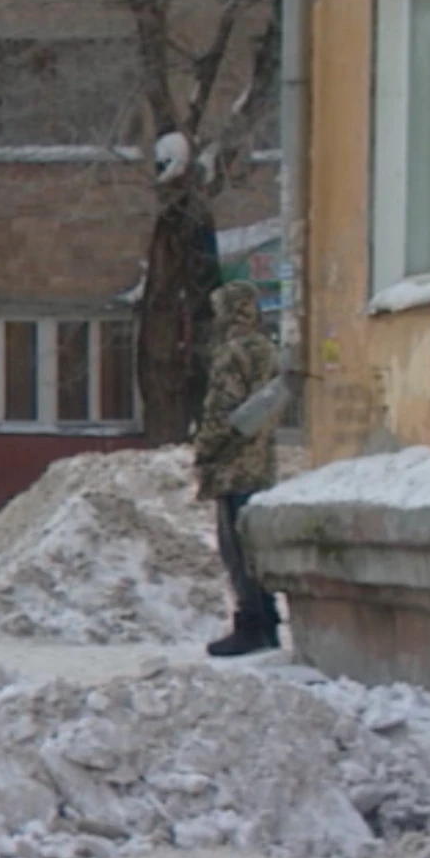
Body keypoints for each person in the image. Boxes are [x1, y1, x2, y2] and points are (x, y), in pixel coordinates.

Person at [192, 280, 282, 657]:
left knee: (237, 551)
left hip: (232, 467)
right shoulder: (267, 350)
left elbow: (222, 413)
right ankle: (268, 621)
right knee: (255, 549)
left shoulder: (232, 353)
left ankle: (252, 625)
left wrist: (204, 450)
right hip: (261, 463)